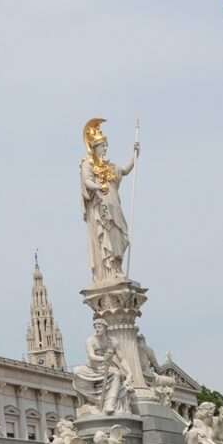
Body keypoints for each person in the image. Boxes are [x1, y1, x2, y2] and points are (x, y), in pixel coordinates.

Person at [80, 119, 138, 282]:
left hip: (114, 205)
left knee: (119, 235)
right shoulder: (88, 163)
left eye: (106, 145)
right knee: (105, 237)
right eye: (103, 145)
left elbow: (124, 170)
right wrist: (96, 187)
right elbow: (86, 180)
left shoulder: (110, 166)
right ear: (95, 147)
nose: (105, 148)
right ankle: (108, 271)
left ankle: (117, 267)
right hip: (100, 207)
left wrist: (135, 156)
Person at [72, 319, 132, 415]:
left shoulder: (113, 342)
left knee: (117, 374)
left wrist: (129, 373)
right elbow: (91, 356)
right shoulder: (90, 340)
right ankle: (92, 401)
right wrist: (103, 359)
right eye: (95, 327)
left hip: (106, 369)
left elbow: (122, 359)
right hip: (92, 369)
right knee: (76, 371)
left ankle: (110, 404)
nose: (97, 330)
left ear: (105, 328)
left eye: (99, 327)